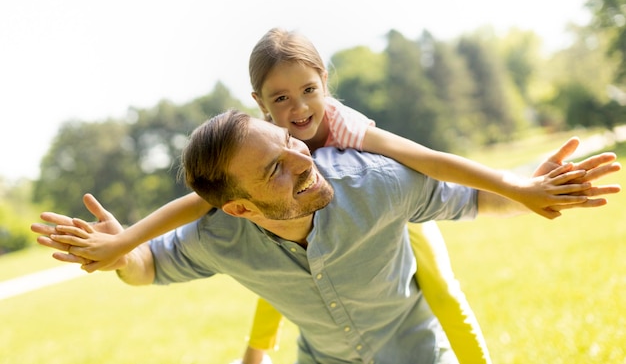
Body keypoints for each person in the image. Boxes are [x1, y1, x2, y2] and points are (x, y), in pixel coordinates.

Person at [37, 28, 614, 364]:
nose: (301, 145)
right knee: (272, 263)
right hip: (316, 340)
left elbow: (452, 183)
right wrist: (124, 249)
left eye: (307, 95)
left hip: (407, 334)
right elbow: (163, 248)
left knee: (439, 282)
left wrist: (524, 187)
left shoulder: (369, 171)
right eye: (280, 107)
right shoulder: (225, 223)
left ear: (324, 86)